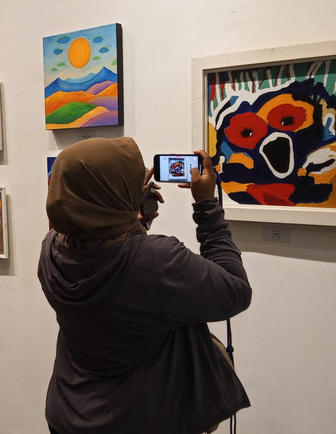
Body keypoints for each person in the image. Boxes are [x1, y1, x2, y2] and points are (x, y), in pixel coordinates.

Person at [38, 137, 252, 433]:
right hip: (141, 418)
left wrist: (129, 219)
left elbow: (104, 252)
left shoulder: (51, 249)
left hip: (68, 413)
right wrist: (207, 207)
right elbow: (236, 291)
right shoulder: (159, 261)